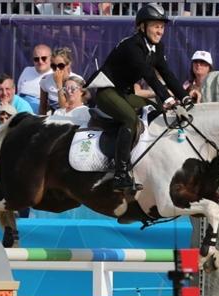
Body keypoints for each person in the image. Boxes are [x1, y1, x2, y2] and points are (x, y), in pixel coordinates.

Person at [86, 3, 192, 192]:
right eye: (155, 26)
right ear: (142, 27)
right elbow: (149, 75)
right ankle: (120, 173)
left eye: (162, 27)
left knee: (152, 109)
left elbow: (167, 74)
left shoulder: (156, 47)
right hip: (107, 91)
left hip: (124, 93)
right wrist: (168, 99)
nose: (160, 31)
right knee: (129, 119)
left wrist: (184, 98)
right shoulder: (132, 45)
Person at [39, 47, 83, 115]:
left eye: (61, 66)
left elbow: (64, 108)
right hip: (55, 119)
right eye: (53, 66)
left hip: (73, 117)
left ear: (68, 64)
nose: (57, 69)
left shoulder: (77, 81)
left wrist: (59, 84)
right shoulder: (45, 80)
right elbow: (43, 106)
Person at [17, 44, 53, 112]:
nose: (40, 61)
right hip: (20, 112)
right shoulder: (27, 70)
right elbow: (19, 92)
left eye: (44, 58)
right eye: (36, 59)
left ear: (51, 58)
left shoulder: (54, 75)